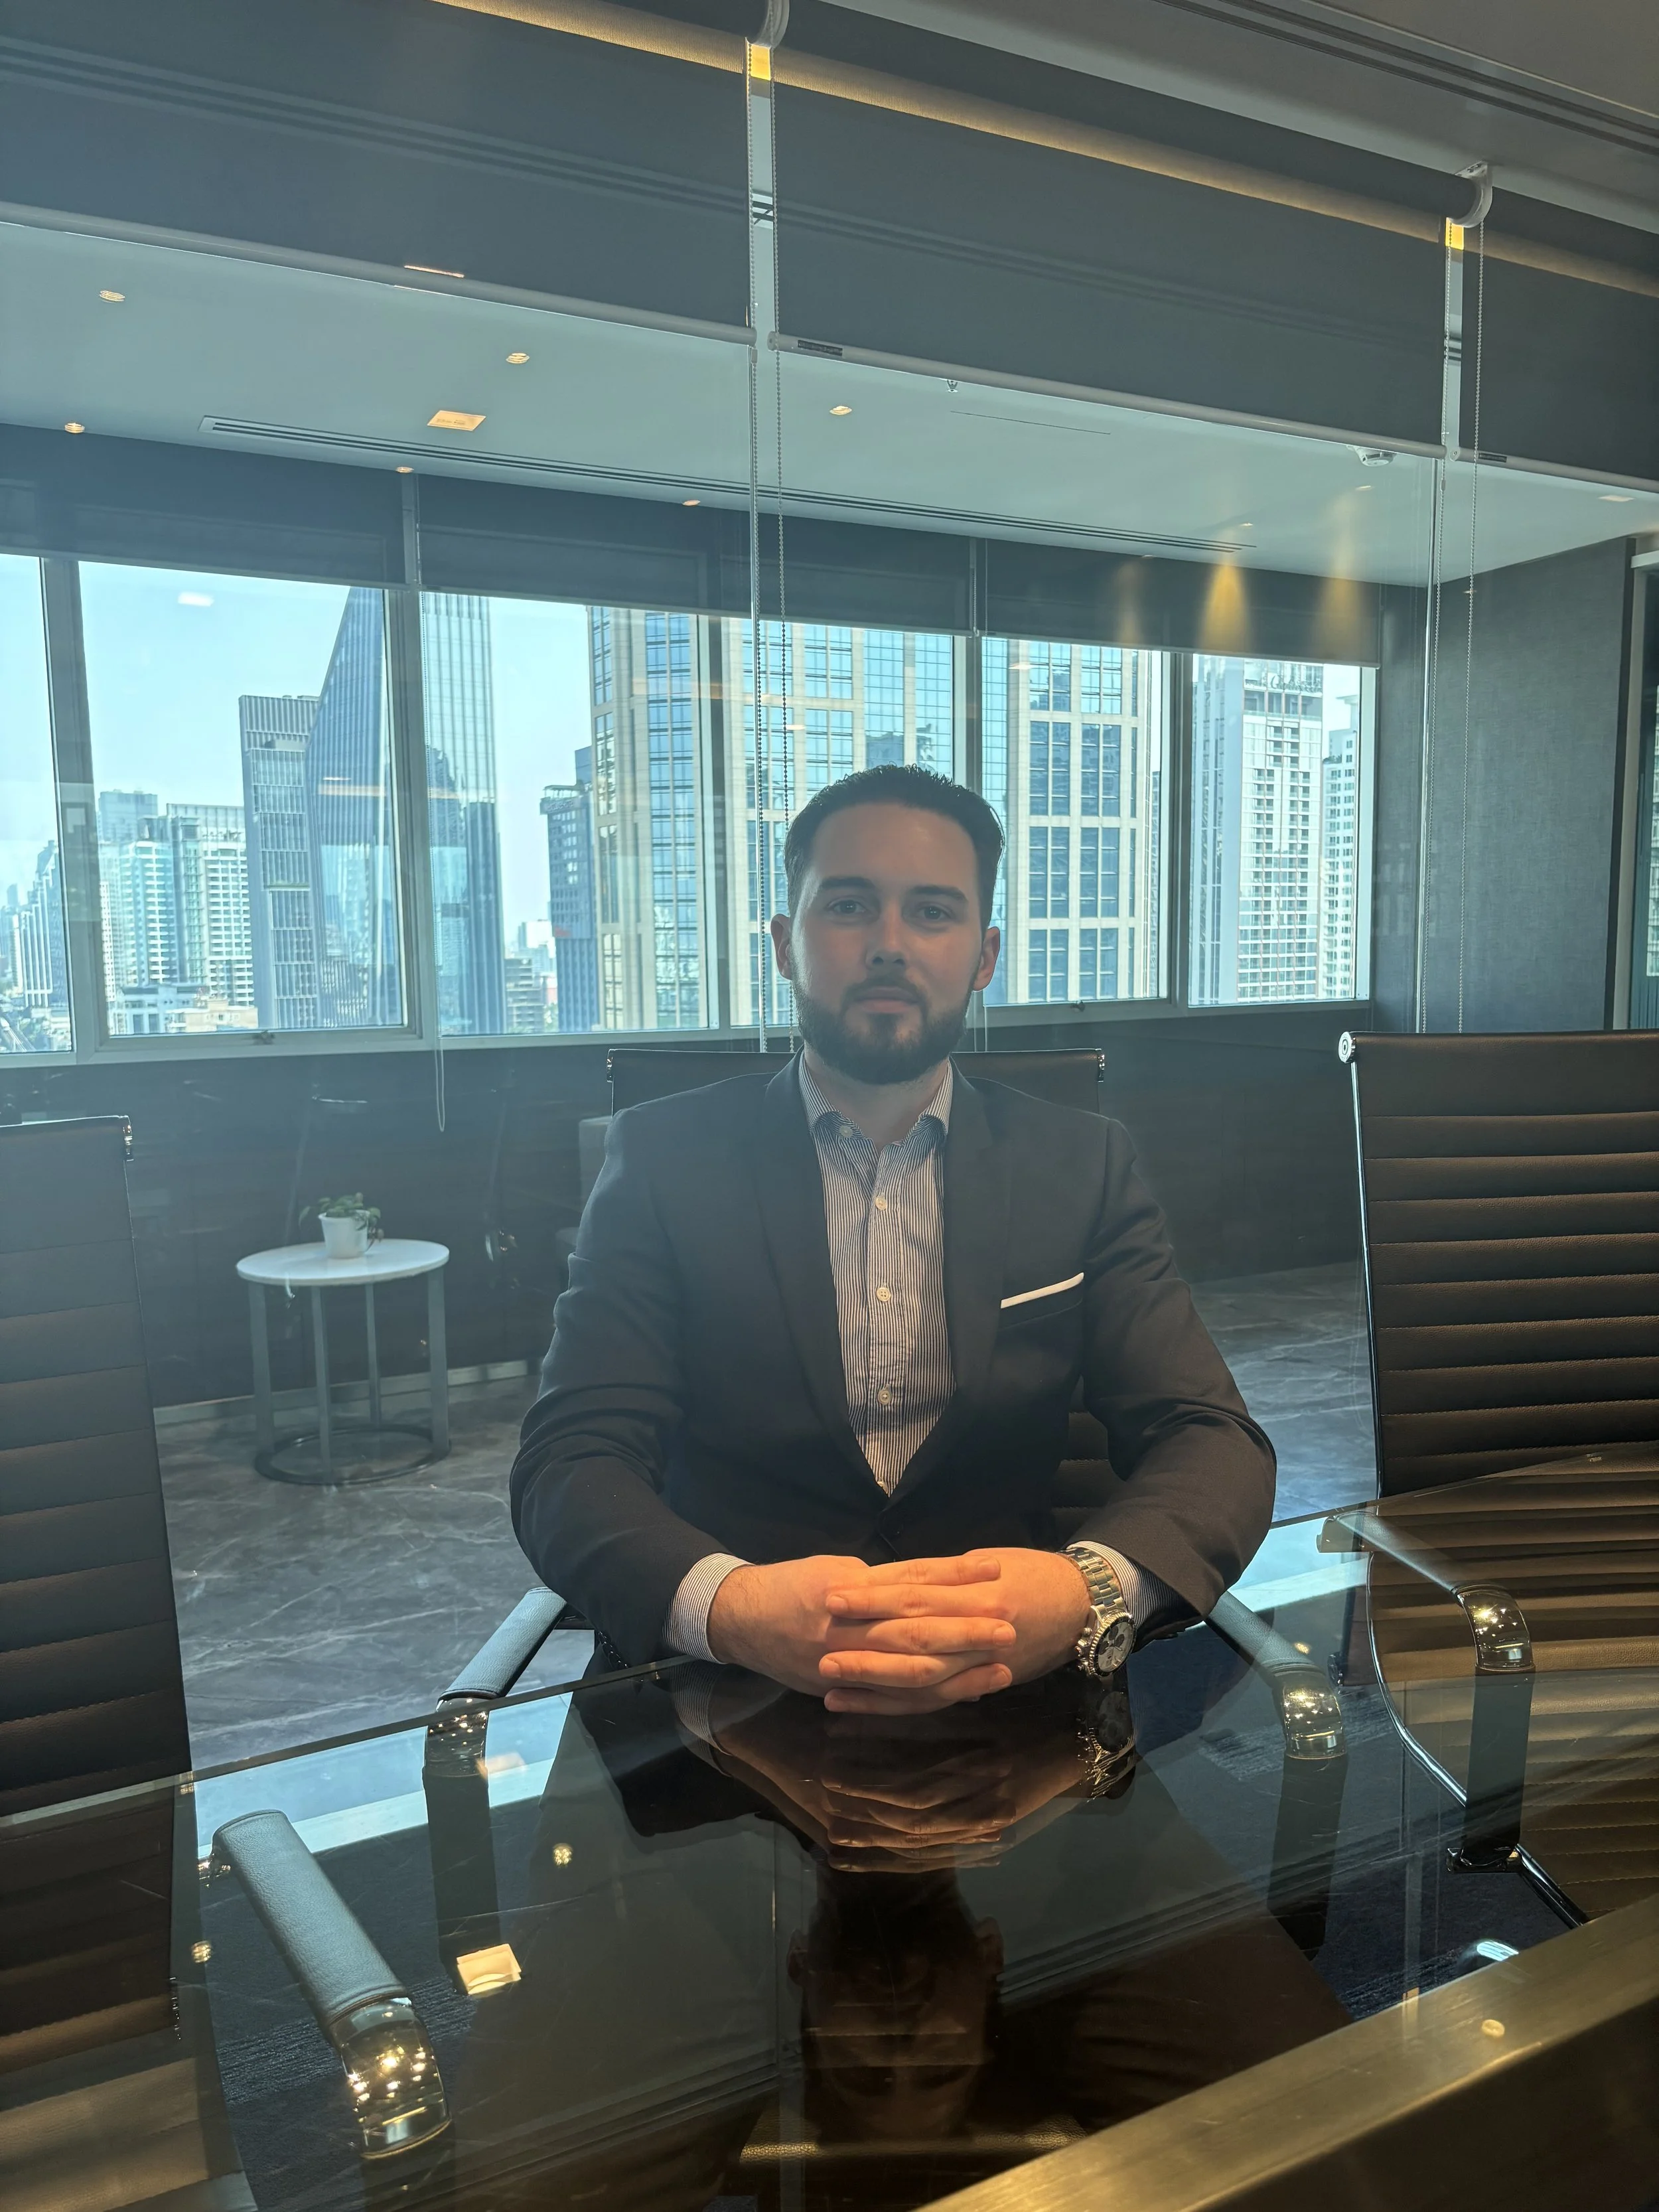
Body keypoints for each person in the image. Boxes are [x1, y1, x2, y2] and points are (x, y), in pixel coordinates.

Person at [511, 764, 1275, 1706]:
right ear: (787, 946)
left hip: (1013, 1691)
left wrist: (1089, 1590)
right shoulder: (663, 1160)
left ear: (984, 956)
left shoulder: (1082, 1165)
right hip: (720, 1703)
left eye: (933, 912)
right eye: (849, 906)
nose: (888, 945)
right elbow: (570, 1460)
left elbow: (1212, 1438)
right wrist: (731, 1605)